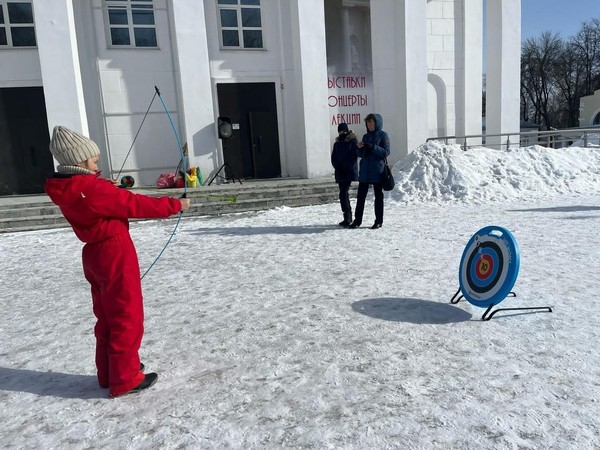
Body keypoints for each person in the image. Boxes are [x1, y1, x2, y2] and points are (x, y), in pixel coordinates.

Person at [44, 125, 191, 398]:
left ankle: (110, 371)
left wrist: (100, 185)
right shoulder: (93, 190)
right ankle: (125, 378)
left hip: (93, 254)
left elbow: (92, 196)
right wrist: (175, 205)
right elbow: (135, 205)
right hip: (114, 251)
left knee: (107, 316)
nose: (97, 165)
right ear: (81, 162)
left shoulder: (71, 187)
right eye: (95, 161)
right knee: (126, 314)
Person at [349, 113, 390, 229]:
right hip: (365, 171)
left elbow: (386, 152)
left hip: (377, 170)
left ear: (377, 123)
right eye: (368, 123)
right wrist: (359, 148)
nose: (370, 125)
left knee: (378, 196)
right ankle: (357, 220)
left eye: (371, 122)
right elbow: (362, 155)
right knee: (360, 197)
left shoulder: (383, 135)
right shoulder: (366, 136)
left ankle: (378, 221)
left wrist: (373, 147)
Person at [330, 122, 358, 227]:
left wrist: (346, 167)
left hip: (348, 172)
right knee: (342, 194)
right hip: (340, 171)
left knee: (343, 193)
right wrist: (338, 167)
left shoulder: (352, 141)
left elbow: (353, 157)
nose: (342, 133)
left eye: (343, 131)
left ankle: (348, 217)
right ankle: (346, 217)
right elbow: (334, 158)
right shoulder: (337, 144)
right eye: (340, 131)